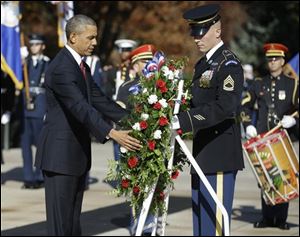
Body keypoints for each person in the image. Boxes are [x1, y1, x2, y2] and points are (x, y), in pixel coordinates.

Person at [34, 15, 142, 236]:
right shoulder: (62, 67)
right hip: (59, 157)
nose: (94, 42)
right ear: (73, 37)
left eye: (95, 38)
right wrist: (112, 133)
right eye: (90, 38)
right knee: (61, 227)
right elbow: (80, 107)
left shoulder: (80, 65)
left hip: (75, 156)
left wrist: (138, 121)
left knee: (73, 225)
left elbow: (100, 100)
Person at [172, 4, 245, 236]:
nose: (196, 38)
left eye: (201, 31)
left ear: (217, 30)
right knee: (201, 225)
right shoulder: (203, 64)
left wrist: (184, 121)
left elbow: (225, 107)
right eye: (193, 32)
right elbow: (197, 102)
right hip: (203, 152)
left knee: (215, 225)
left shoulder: (228, 64)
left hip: (220, 153)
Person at [241, 43, 299, 230]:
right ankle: (267, 217)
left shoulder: (292, 83)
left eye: (276, 59)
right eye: (269, 59)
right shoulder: (258, 83)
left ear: (283, 61)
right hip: (263, 138)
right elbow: (244, 105)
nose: (272, 62)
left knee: (283, 177)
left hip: (282, 138)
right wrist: (248, 124)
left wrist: (293, 118)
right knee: (265, 176)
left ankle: (281, 219)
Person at [116, 44, 158, 236]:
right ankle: (138, 226)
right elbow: (120, 118)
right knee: (137, 189)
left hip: (156, 145)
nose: (148, 64)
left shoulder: (160, 85)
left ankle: (153, 226)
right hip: (134, 145)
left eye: (150, 61)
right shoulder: (126, 89)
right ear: (135, 66)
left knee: (157, 187)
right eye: (144, 62)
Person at [20, 34, 49, 189]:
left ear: (43, 46)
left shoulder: (48, 63)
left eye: (37, 44)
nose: (34, 47)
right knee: (25, 144)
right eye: (32, 45)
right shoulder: (24, 63)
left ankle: (39, 176)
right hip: (25, 108)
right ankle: (28, 177)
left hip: (39, 108)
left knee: (40, 144)